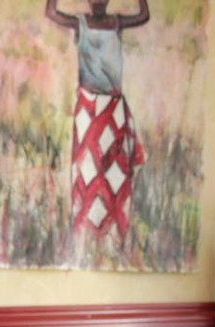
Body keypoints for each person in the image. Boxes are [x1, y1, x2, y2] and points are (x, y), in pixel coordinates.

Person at [45, 0, 149, 242]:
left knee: (116, 170)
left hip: (113, 109)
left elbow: (143, 15)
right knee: (86, 169)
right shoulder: (80, 23)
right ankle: (86, 232)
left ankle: (114, 232)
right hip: (89, 109)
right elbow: (51, 12)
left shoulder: (117, 23)